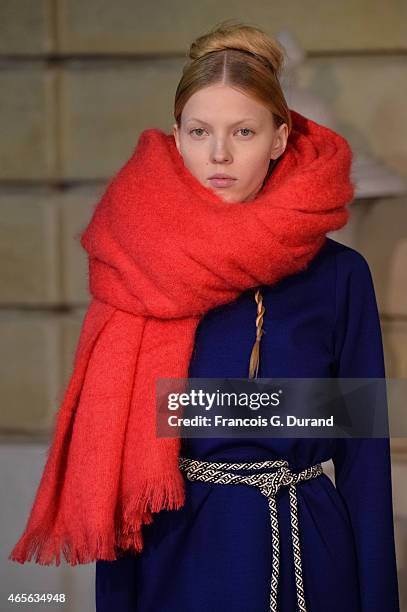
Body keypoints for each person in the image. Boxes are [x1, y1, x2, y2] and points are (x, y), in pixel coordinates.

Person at [9, 20, 399, 612]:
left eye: (243, 131)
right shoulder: (135, 269)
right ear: (176, 137)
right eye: (199, 131)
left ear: (278, 138)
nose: (218, 154)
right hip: (175, 554)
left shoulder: (340, 275)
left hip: (305, 554)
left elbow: (364, 458)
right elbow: (119, 464)